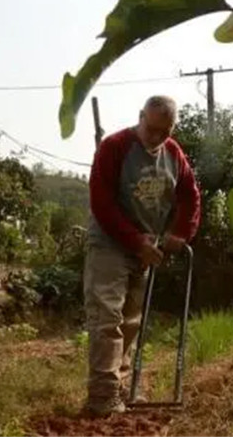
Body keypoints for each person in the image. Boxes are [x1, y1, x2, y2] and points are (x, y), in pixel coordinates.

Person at [83, 95, 201, 416]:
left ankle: (120, 386)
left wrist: (180, 233)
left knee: (131, 321)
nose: (156, 137)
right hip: (110, 242)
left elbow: (190, 196)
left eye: (165, 132)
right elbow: (101, 202)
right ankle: (102, 395)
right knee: (107, 316)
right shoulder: (114, 147)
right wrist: (135, 241)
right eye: (151, 129)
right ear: (140, 117)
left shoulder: (173, 154)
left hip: (146, 246)